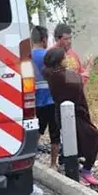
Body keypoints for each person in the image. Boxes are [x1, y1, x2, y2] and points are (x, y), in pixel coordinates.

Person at [41, 46, 98, 188]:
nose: (66, 60)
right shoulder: (64, 75)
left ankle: (78, 171)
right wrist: (89, 65)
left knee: (74, 144)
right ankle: (85, 171)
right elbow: (83, 80)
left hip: (63, 114)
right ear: (59, 61)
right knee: (97, 138)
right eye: (64, 58)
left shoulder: (52, 74)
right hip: (75, 114)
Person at [30, 26, 59, 169]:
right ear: (44, 39)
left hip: (35, 101)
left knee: (37, 131)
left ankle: (31, 159)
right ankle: (54, 164)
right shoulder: (49, 55)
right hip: (52, 99)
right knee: (55, 133)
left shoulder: (26, 57)